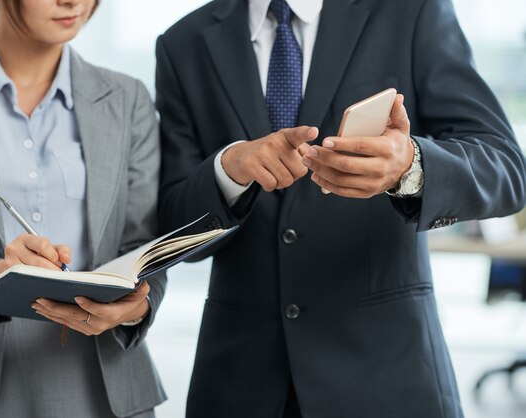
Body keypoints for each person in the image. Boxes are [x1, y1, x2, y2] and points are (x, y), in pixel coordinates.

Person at [155, 0, 526, 416]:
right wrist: (226, 171)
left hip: (388, 378)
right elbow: (172, 225)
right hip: (238, 387)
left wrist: (409, 165)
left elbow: (506, 169)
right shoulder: (183, 43)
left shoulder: (412, 10)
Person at [0, 0, 166, 417]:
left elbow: (144, 244)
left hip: (104, 386)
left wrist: (138, 307)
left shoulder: (128, 98)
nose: (72, 2)